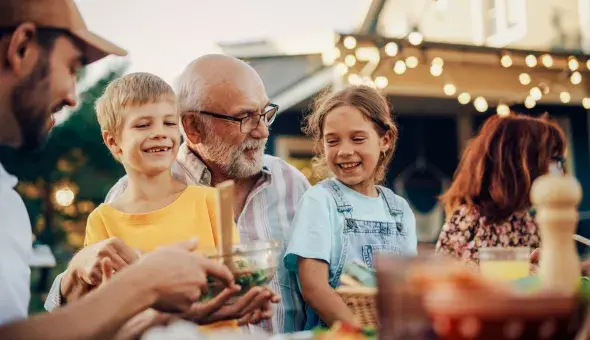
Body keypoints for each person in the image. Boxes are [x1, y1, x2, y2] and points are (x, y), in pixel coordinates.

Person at [0, 0, 236, 338]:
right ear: (21, 47)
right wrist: (146, 284)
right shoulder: (103, 218)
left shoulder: (7, 201)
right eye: (71, 67)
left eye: (169, 123)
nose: (72, 97)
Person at [46, 54, 312, 334]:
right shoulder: (114, 206)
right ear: (193, 127)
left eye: (265, 113)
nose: (261, 130)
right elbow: (96, 308)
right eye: (244, 117)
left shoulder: (291, 184)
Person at [283, 85, 418, 329]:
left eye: (358, 138)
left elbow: (407, 287)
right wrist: (361, 332)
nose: (344, 151)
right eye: (332, 141)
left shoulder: (399, 210)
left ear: (385, 140)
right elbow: (314, 288)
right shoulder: (320, 201)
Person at [435, 113, 567, 265]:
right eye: (555, 161)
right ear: (520, 166)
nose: (560, 172)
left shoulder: (526, 221)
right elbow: (444, 280)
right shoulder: (470, 220)